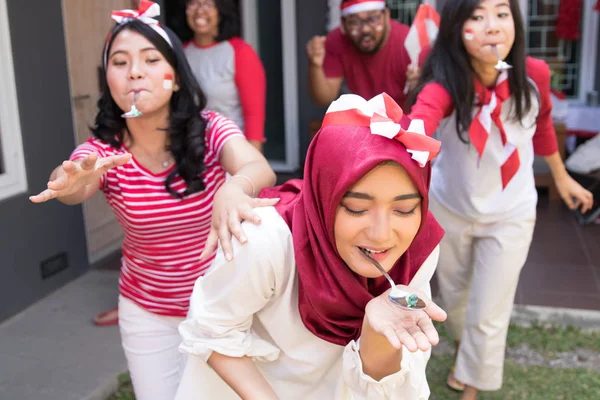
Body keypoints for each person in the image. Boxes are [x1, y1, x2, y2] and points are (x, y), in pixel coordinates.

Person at [29, 2, 276, 399]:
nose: (135, 72)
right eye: (120, 62)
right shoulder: (101, 153)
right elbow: (75, 183)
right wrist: (68, 181)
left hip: (225, 305)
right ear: (107, 79)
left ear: (175, 77)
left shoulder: (210, 128)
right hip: (148, 311)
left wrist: (235, 186)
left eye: (150, 59)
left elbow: (256, 166)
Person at [175, 93, 447, 399]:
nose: (382, 235)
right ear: (323, 196)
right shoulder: (266, 241)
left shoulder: (417, 250)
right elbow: (213, 331)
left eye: (404, 210)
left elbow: (382, 384)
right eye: (357, 209)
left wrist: (376, 330)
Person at [406, 0, 595, 398]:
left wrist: (561, 179)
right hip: (450, 207)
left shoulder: (535, 75)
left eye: (502, 13)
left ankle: (473, 383)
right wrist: (408, 140)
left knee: (489, 309)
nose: (492, 26)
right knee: (455, 299)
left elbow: (541, 124)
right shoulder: (444, 80)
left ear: (515, 22)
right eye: (476, 16)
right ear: (457, 27)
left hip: (511, 210)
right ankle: (466, 350)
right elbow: (423, 117)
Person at [183, 0, 266, 152]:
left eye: (208, 4)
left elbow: (254, 116)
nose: (200, 11)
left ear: (221, 11)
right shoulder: (181, 53)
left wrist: (253, 160)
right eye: (193, 3)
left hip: (230, 150)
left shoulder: (240, 52)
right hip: (190, 151)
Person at [306, 0, 420, 108]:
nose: (365, 29)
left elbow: (427, 105)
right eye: (355, 21)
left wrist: (419, 86)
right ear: (343, 24)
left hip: (405, 122)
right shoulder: (337, 41)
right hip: (363, 122)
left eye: (373, 18)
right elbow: (324, 99)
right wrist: (316, 65)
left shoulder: (410, 43)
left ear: (386, 15)